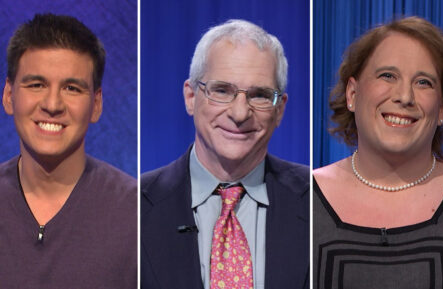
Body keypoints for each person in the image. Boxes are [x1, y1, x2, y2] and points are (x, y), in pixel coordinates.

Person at [141, 19, 309, 289]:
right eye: (221, 90)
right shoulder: (134, 206)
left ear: (280, 110)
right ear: (190, 97)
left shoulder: (319, 200)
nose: (239, 113)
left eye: (260, 95)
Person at [0, 14, 136, 288]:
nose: (52, 104)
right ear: (8, 95)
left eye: (71, 88)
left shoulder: (136, 214)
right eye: (36, 85)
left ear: (96, 105)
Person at [313, 16, 443, 288]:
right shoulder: (304, 196)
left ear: (442, 109)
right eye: (388, 75)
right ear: (352, 94)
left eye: (423, 82)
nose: (405, 96)